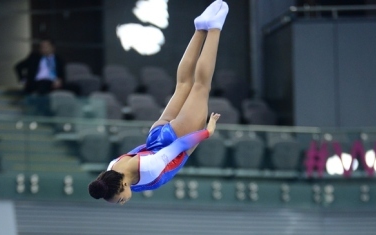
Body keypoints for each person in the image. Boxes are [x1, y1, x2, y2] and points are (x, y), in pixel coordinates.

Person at [88, 0, 229, 203]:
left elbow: (179, 144)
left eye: (120, 199)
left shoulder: (149, 168)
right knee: (182, 84)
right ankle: (200, 28)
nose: (123, 202)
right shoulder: (111, 169)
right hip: (156, 135)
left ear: (123, 185)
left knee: (201, 86)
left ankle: (214, 28)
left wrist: (207, 132)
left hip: (174, 138)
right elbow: (138, 151)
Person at [14, 39, 65, 115]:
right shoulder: (34, 57)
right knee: (44, 83)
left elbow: (62, 74)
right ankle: (44, 111)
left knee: (75, 87)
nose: (43, 49)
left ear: (52, 48)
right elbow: (18, 66)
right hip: (37, 83)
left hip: (54, 83)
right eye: (42, 47)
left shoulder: (58, 59)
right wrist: (23, 80)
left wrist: (59, 80)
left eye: (46, 47)